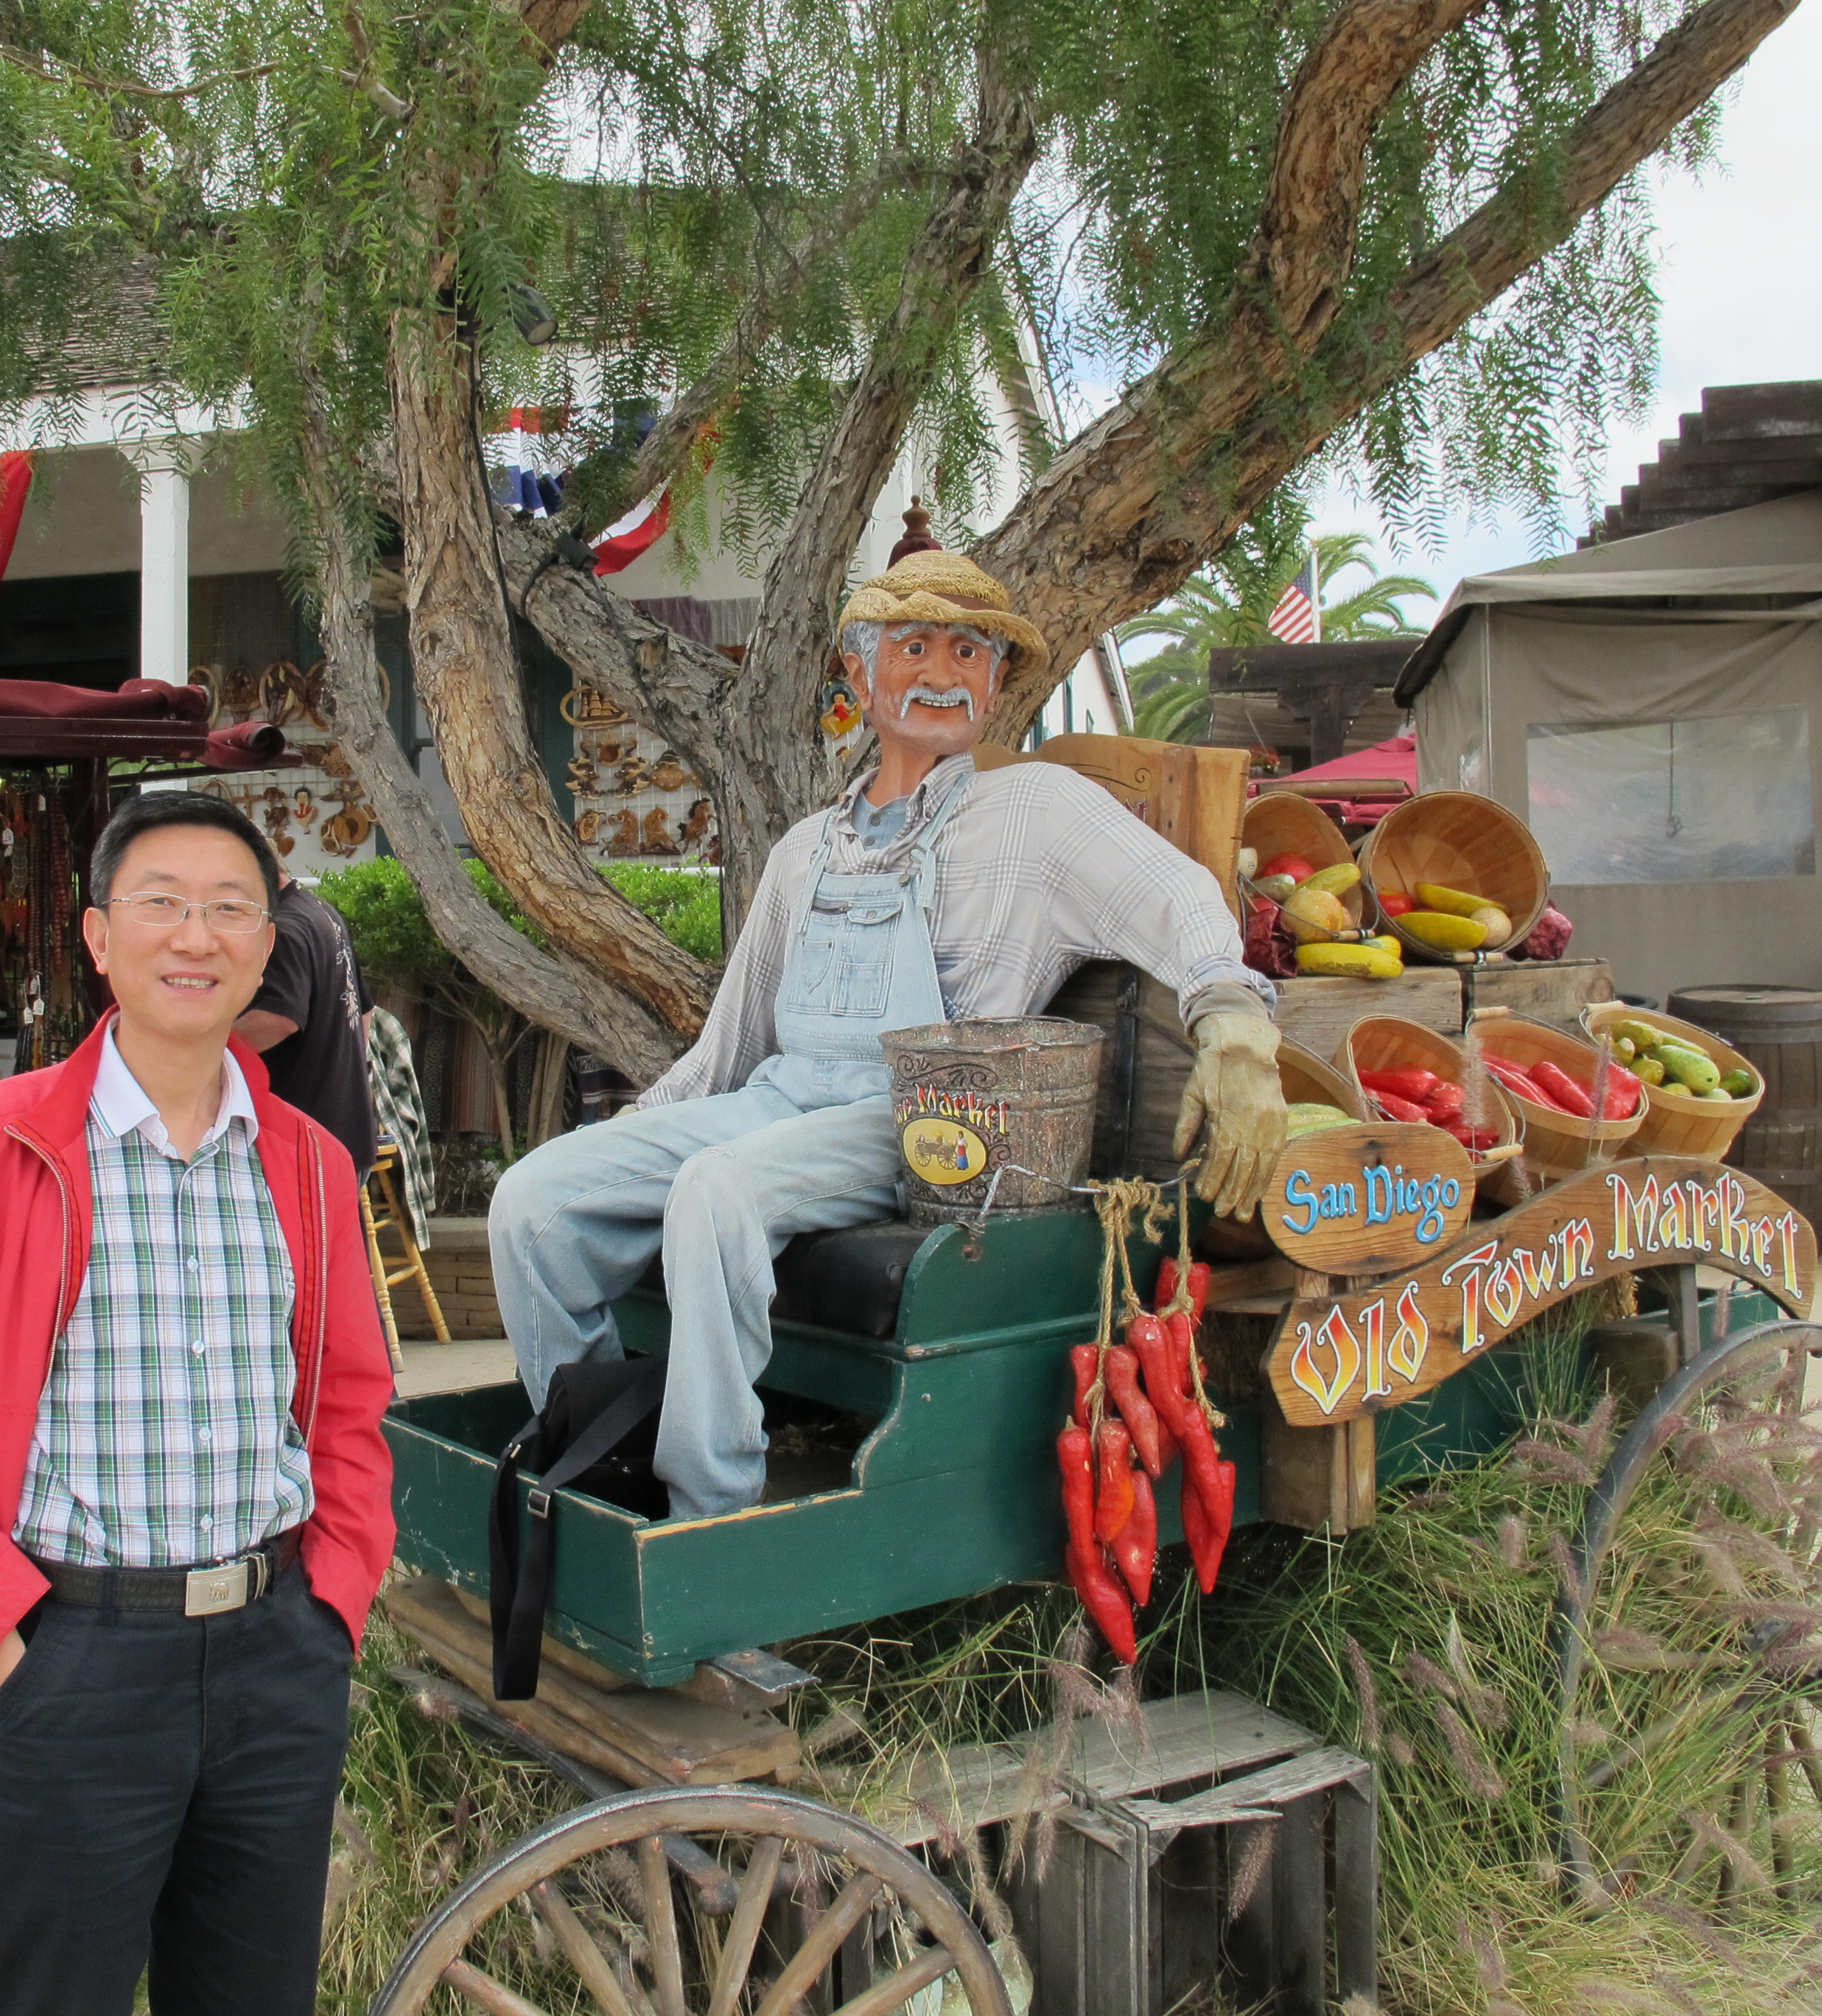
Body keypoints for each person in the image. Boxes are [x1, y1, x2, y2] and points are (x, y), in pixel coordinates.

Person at [488, 550, 1286, 1521]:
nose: (942, 670)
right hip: (774, 1103)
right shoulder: (804, 851)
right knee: (532, 1199)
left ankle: (712, 1519)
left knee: (715, 1190)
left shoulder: (1037, 813)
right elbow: (728, 1053)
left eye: (968, 650)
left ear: (995, 684)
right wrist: (622, 1147)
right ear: (861, 677)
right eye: (913, 646)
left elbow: (1182, 898)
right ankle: (597, 1468)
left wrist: (1234, 1024)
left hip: (920, 1121)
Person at [0, 791, 396, 2016]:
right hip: (72, 1654)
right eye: (161, 905)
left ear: (266, 945)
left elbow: (350, 1404)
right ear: (98, 938)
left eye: (228, 911)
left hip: (274, 1654)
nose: (194, 937)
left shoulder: (306, 1162)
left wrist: (335, 1601)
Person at [235, 872, 379, 1177]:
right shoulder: (323, 912)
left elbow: (278, 1018)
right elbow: (364, 1011)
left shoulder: (284, 929)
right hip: (345, 1125)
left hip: (304, 1139)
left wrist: (204, 1049)